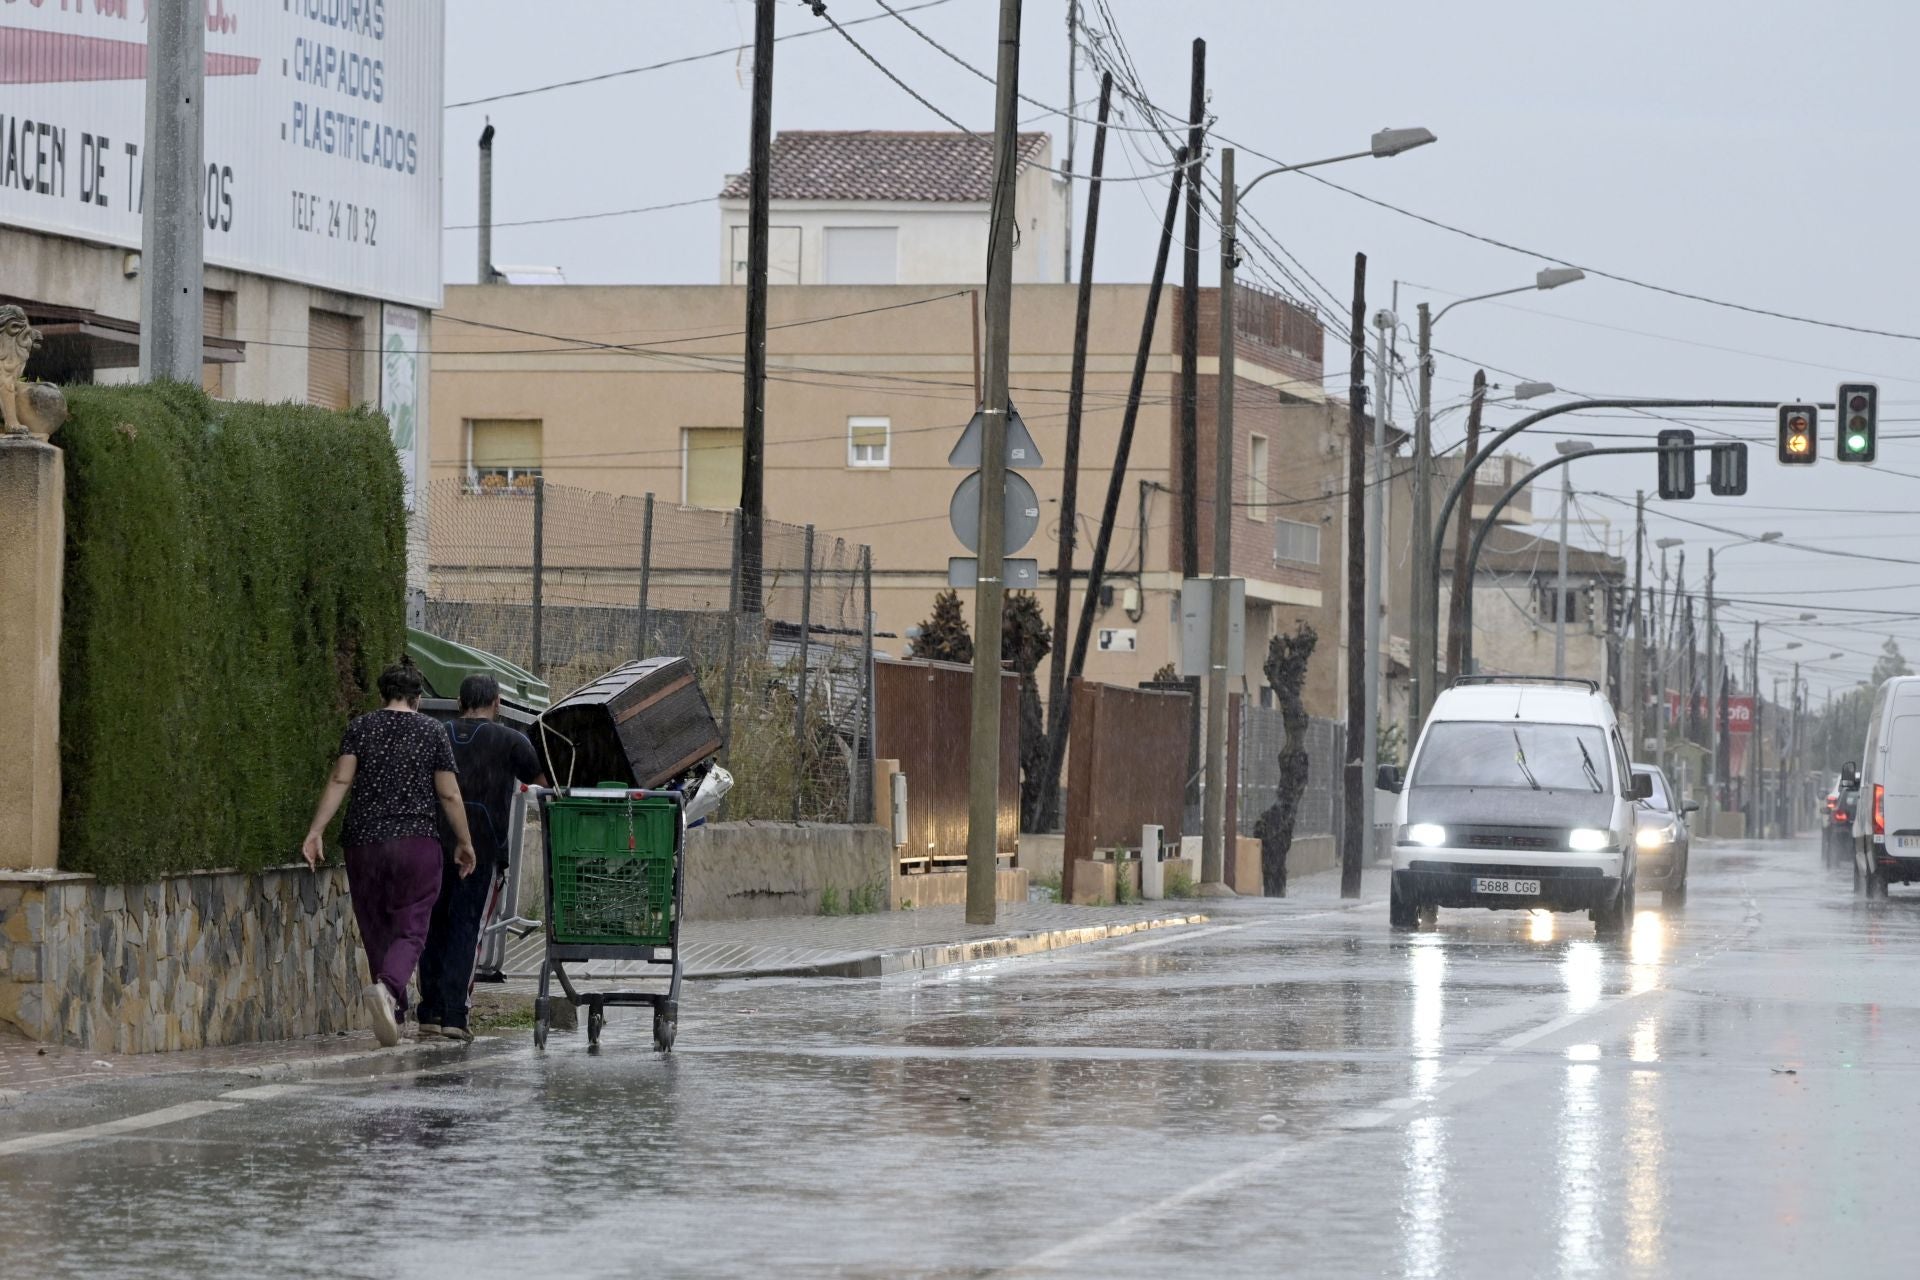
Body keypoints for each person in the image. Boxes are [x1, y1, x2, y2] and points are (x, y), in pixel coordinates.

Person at [303, 659, 476, 1047]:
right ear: (417, 698)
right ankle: (389, 988)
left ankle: (393, 1011)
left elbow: (340, 778)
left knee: (375, 926)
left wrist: (316, 831)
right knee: (412, 925)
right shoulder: (432, 731)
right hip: (416, 841)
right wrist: (464, 841)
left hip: (363, 841)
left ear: (382, 694)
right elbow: (448, 793)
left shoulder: (360, 727)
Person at [417, 674, 546, 1043]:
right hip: (483, 849)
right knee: (467, 929)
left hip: (435, 844)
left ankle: (430, 1012)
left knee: (433, 926)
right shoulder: (511, 741)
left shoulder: (436, 733)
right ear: (497, 703)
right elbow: (540, 782)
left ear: (459, 702)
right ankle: (456, 1016)